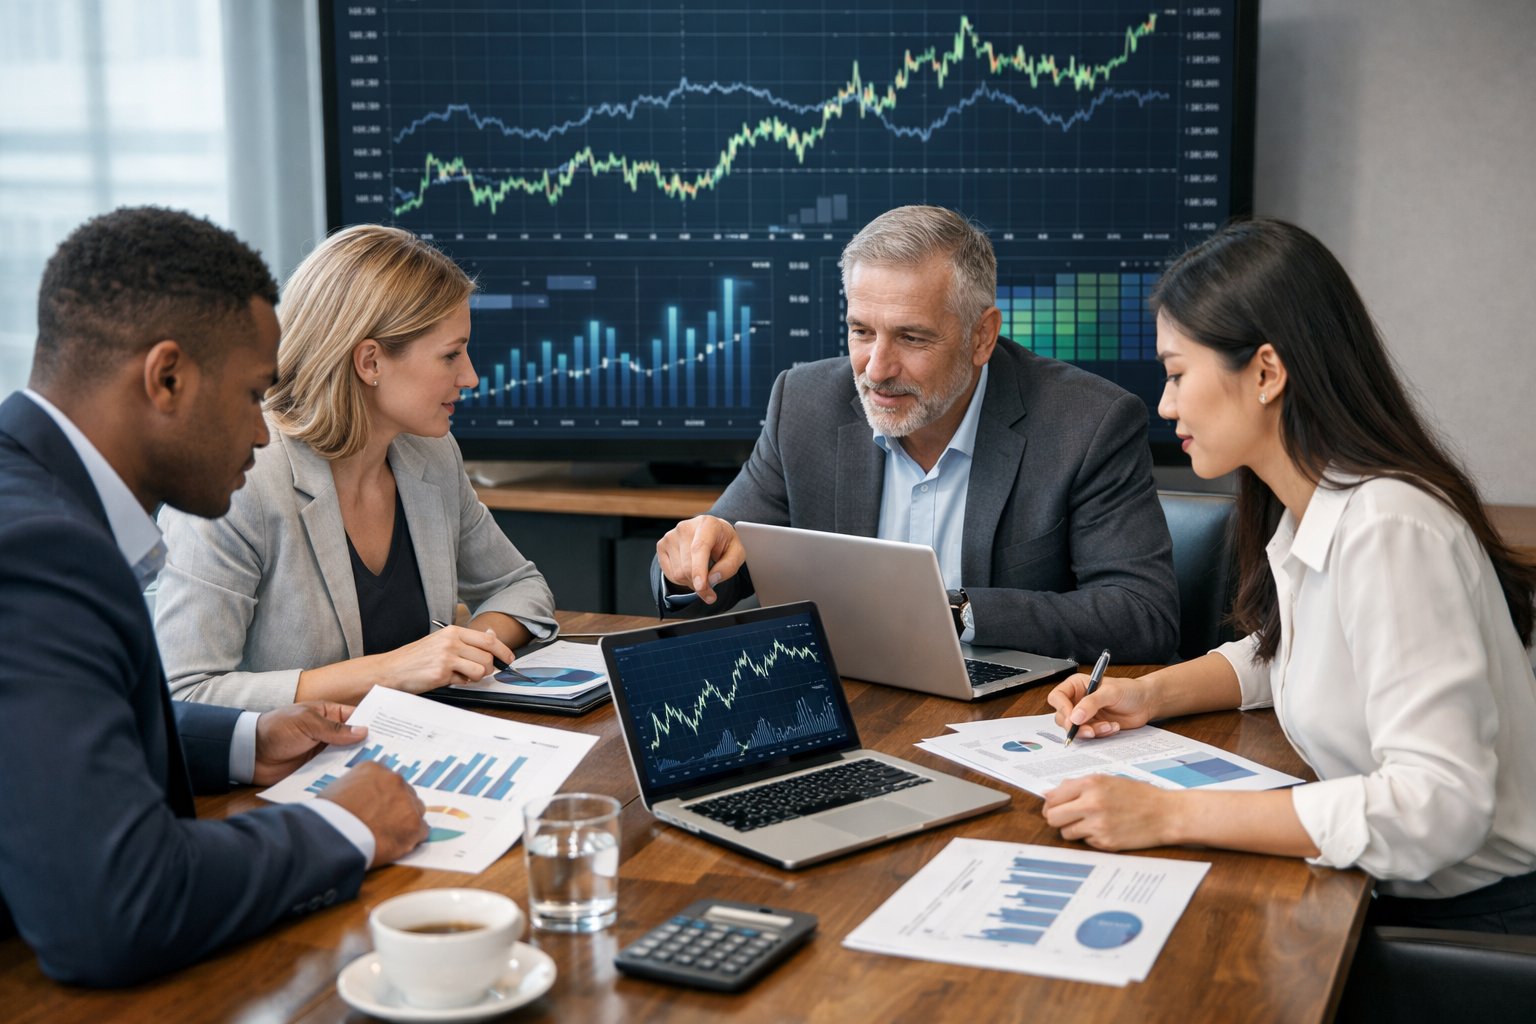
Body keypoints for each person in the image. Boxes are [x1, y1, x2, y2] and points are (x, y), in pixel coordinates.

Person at [1043, 217, 1536, 933]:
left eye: (1178, 374)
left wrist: (1172, 813)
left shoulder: (1390, 528)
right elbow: (1296, 653)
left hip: (1468, 930)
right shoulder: (1313, 507)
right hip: (1393, 893)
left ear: (1268, 373)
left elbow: (1439, 806)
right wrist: (1148, 693)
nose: (1166, 404)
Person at [0, 207, 430, 986]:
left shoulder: (33, 499)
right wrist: (342, 824)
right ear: (167, 378)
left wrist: (243, 739)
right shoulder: (40, 551)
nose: (265, 434)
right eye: (253, 394)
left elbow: (40, 739)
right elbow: (114, 907)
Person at [652, 205, 1178, 663]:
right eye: (862, 331)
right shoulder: (804, 403)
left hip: (1011, 720)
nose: (877, 369)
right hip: (851, 701)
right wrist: (689, 563)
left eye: (911, 337)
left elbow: (1142, 615)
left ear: (982, 336)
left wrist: (954, 611)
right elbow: (713, 570)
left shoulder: (1087, 423)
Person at [154, 224, 556, 711]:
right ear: (370, 362)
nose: (470, 377)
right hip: (283, 776)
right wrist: (394, 670)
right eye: (450, 355)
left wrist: (459, 653)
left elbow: (519, 586)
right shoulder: (238, 480)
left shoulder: (430, 454)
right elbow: (185, 694)